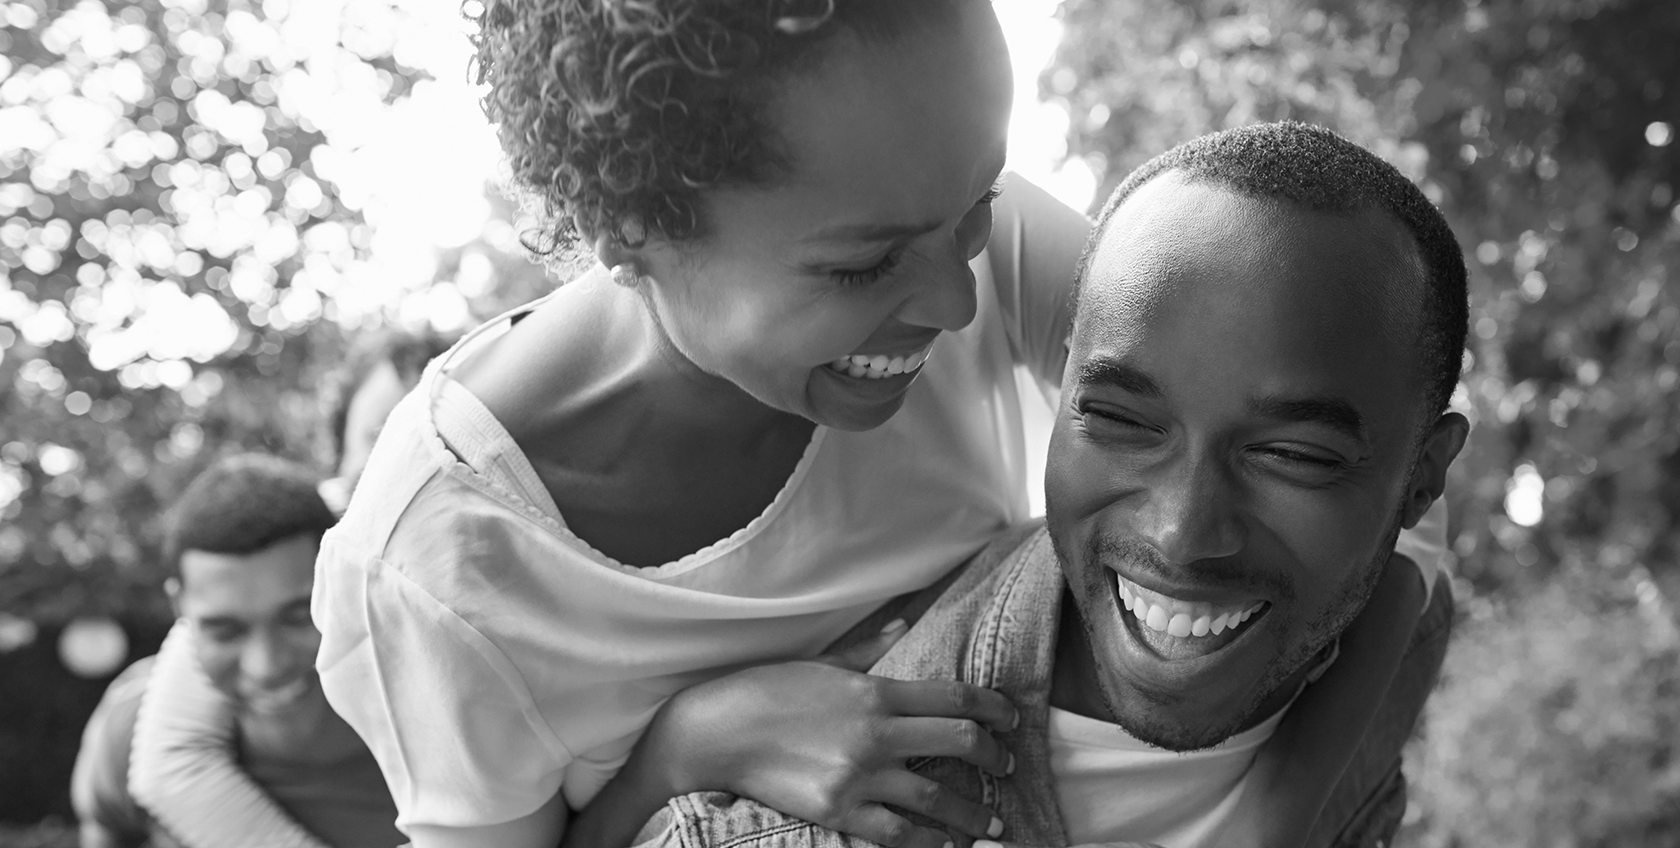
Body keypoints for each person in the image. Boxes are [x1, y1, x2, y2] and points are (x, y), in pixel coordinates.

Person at [312, 4, 1450, 848]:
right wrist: (689, 744)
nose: (960, 304)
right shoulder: (437, 568)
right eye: (860, 266)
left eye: (977, 211)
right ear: (628, 228)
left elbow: (1344, 490)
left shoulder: (954, 241)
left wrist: (1281, 820)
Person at [629, 121, 1470, 848]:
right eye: (1123, 421)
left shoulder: (1391, 642)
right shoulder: (804, 825)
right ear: (1059, 387)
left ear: (1422, 480)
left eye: (1293, 456)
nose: (1181, 532)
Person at [126, 330, 455, 848]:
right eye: (380, 433)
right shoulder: (291, 545)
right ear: (340, 448)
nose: (417, 459)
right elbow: (173, 758)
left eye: (448, 433)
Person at [71, 455, 405, 848]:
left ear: (341, 587)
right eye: (225, 631)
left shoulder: (435, 719)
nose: (265, 665)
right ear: (181, 611)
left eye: (298, 617)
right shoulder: (132, 722)